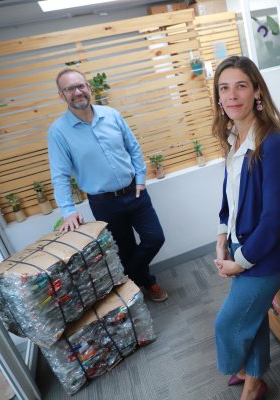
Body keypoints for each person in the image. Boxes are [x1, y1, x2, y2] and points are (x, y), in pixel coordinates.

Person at [213, 56, 280, 400]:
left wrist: (241, 261)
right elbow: (229, 197)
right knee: (253, 318)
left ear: (257, 93)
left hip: (266, 253)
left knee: (230, 325)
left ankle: (244, 373)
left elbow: (276, 219)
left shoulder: (275, 144)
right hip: (240, 244)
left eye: (241, 86)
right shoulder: (235, 138)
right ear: (218, 99)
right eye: (224, 88)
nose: (232, 95)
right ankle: (254, 382)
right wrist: (222, 237)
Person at [47, 68, 168, 302]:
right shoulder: (58, 132)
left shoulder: (111, 115)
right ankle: (147, 283)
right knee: (124, 249)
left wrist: (141, 179)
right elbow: (60, 175)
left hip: (135, 191)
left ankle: (124, 282)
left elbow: (133, 148)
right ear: (62, 95)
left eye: (81, 85)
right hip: (104, 202)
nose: (77, 92)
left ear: (89, 88)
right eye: (70, 88)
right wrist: (68, 211)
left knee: (155, 238)